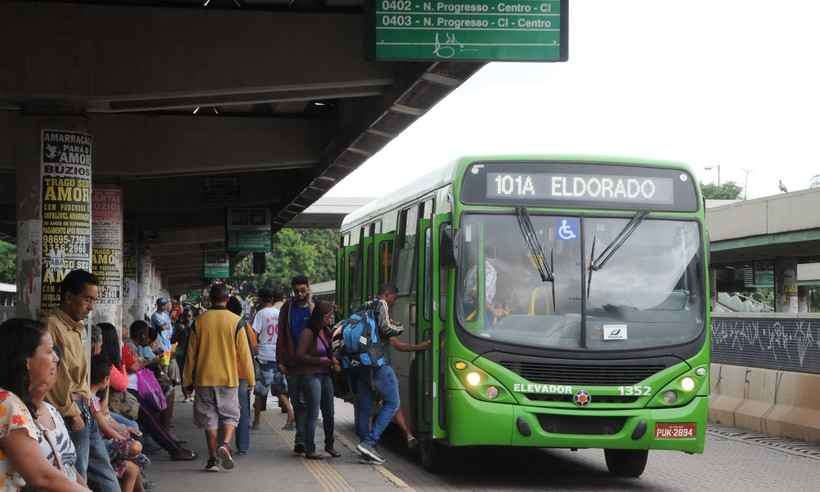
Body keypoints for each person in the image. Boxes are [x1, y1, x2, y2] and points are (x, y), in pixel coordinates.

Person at [45, 270, 121, 492]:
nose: (91, 307)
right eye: (87, 299)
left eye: (93, 300)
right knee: (78, 474)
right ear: (69, 297)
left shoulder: (78, 328)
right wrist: (72, 413)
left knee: (104, 469)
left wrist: (89, 405)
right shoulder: (52, 326)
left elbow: (80, 375)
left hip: (85, 407)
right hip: (69, 410)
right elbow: (56, 376)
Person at [0, 318, 89, 492]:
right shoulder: (6, 403)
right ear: (26, 360)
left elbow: (67, 469)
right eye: (49, 351)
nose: (56, 358)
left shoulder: (43, 409)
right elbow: (42, 476)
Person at [354, 284, 431, 465]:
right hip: (380, 364)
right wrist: (419, 346)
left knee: (365, 407)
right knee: (393, 403)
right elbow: (396, 343)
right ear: (387, 295)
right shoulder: (381, 308)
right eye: (394, 298)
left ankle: (365, 447)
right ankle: (369, 443)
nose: (394, 303)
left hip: (362, 364)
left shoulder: (365, 307)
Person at [183, 284, 254, 472]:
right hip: (228, 378)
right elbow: (245, 355)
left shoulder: (199, 321)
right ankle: (225, 444)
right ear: (227, 299)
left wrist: (187, 380)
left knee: (210, 419)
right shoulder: (236, 321)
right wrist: (251, 379)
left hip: (204, 378)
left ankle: (213, 459)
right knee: (231, 415)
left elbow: (190, 355)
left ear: (209, 300)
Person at [122, 321, 196, 462]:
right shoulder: (129, 346)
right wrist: (150, 361)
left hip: (135, 387)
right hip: (131, 390)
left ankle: (168, 437)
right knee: (150, 416)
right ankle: (172, 446)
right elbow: (134, 366)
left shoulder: (133, 346)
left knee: (160, 401)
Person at [89, 356, 145, 492]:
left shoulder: (95, 398)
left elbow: (106, 416)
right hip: (98, 449)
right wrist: (122, 437)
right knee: (136, 448)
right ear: (105, 379)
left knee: (134, 466)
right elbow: (105, 427)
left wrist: (124, 430)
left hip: (102, 444)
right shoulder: (91, 401)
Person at [295, 301, 342, 459]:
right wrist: (321, 361)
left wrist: (333, 360)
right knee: (313, 413)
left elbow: (329, 352)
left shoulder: (326, 331)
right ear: (320, 316)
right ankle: (310, 448)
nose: (330, 319)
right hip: (311, 375)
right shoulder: (308, 332)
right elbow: (300, 355)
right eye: (328, 316)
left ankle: (330, 445)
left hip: (325, 375)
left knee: (329, 412)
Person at [276, 275, 315, 456]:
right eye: (296, 291)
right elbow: (281, 335)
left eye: (303, 290)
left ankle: (304, 440)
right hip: (292, 364)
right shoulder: (287, 308)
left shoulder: (315, 307)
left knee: (308, 403)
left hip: (311, 363)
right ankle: (301, 439)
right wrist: (280, 360)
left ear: (308, 288)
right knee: (298, 403)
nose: (299, 294)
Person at [251, 287, 294, 430]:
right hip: (278, 356)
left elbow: (254, 333)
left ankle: (256, 421)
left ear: (261, 299)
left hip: (264, 356)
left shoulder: (260, 314)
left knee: (259, 391)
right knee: (279, 389)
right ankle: (290, 413)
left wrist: (254, 349)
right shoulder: (279, 313)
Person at [226, 296, 257, 456]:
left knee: (223, 410)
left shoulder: (222, 323)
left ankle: (223, 443)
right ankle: (243, 446)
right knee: (242, 409)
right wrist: (252, 377)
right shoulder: (244, 324)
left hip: (223, 373)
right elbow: (252, 349)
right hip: (241, 374)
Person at [172, 308, 194, 402]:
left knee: (192, 374)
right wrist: (180, 332)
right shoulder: (179, 326)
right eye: (185, 316)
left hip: (192, 353)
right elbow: (172, 340)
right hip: (181, 353)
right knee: (183, 374)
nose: (187, 318)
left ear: (192, 317)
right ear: (183, 317)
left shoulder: (195, 325)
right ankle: (186, 395)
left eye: (189, 316)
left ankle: (190, 394)